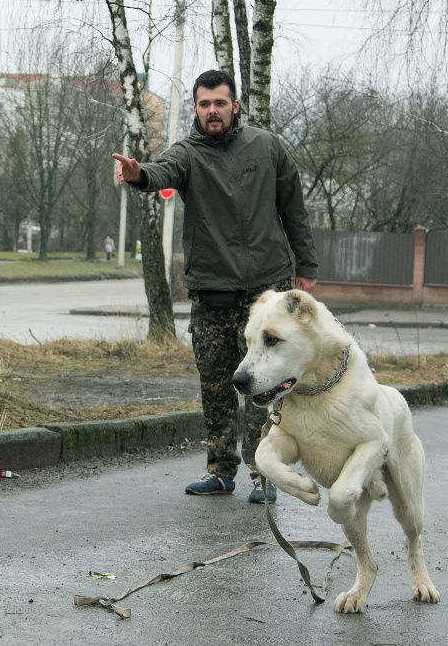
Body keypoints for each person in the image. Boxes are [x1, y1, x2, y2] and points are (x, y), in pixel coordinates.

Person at [111, 69, 317, 504]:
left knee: (265, 383)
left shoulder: (268, 147)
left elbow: (293, 211)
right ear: (196, 109)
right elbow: (162, 171)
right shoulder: (188, 153)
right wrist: (138, 174)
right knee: (216, 385)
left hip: (266, 293)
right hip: (212, 292)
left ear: (235, 105)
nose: (212, 111)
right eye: (204, 105)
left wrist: (307, 269)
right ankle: (220, 471)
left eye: (219, 103)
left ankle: (264, 473)